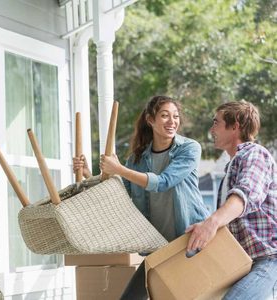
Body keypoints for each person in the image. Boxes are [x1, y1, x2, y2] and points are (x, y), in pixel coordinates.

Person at [97, 95, 209, 300]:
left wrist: (120, 169)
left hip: (189, 243)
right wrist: (89, 172)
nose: (172, 121)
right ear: (150, 120)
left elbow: (163, 182)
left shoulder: (189, 148)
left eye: (175, 116)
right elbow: (122, 198)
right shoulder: (136, 160)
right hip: (158, 246)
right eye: (164, 115)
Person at [186, 100, 277, 300]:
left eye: (216, 122)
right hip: (243, 262)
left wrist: (212, 223)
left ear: (235, 125)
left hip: (268, 259)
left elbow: (247, 194)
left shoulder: (255, 154)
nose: (212, 129)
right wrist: (205, 226)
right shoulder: (232, 167)